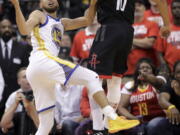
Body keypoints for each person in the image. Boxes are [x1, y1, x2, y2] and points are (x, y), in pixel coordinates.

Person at [10, 0, 140, 134]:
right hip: (43, 60)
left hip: (38, 72)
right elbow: (24, 29)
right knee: (92, 76)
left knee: (46, 124)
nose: (50, 0)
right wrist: (17, 6)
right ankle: (112, 118)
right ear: (40, 3)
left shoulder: (63, 23)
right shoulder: (38, 15)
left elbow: (87, 20)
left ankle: (110, 120)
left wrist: (93, 4)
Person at [87, 0, 170, 133]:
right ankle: (108, 126)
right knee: (115, 80)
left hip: (109, 29)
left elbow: (89, 17)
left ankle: (97, 128)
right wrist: (166, 24)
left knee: (93, 78)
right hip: (127, 32)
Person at [118, 58, 166, 135]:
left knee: (152, 125)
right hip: (137, 120)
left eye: (148, 68)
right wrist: (134, 119)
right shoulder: (130, 85)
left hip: (158, 119)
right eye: (141, 68)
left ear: (153, 71)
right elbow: (121, 107)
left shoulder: (159, 79)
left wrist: (146, 76)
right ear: (137, 72)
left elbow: (156, 82)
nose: (144, 70)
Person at [0, 18, 32, 119]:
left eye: (9, 27)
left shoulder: (22, 48)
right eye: (3, 27)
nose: (7, 29)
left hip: (16, 93)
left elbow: (25, 70)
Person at [124, 0, 159, 83]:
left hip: (149, 72)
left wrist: (129, 41)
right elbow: (121, 45)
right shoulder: (124, 25)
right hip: (128, 72)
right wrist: (142, 42)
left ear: (144, 8)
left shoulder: (152, 24)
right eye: (134, 5)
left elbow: (149, 43)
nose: (136, 8)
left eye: (139, 5)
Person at [0, 67, 38, 135]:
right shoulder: (13, 96)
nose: (29, 79)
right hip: (18, 128)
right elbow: (4, 126)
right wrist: (15, 104)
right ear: (18, 81)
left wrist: (30, 108)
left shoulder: (42, 95)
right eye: (25, 77)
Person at [147, 60, 180, 135]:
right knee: (154, 124)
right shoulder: (169, 86)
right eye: (179, 72)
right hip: (174, 124)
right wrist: (171, 107)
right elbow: (162, 100)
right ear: (174, 75)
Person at [156, 0, 180, 71]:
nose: (177, 10)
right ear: (170, 10)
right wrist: (164, 65)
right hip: (170, 69)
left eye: (179, 7)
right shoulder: (165, 29)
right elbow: (158, 52)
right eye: (174, 8)